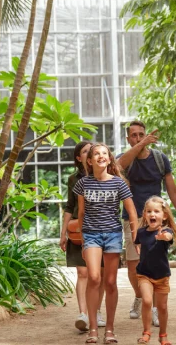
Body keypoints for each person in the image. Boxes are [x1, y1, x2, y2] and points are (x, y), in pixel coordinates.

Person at [117, 120, 176, 326]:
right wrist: (139, 147)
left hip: (156, 218)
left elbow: (173, 192)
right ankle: (141, 297)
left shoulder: (160, 159)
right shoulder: (125, 160)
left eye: (141, 134)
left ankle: (153, 308)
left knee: (156, 264)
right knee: (134, 265)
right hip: (132, 218)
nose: (138, 138)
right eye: (134, 135)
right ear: (128, 139)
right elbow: (117, 167)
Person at [73, 143, 138, 344]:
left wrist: (136, 239)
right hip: (91, 235)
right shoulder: (83, 183)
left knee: (110, 282)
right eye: (96, 154)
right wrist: (83, 240)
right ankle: (93, 328)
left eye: (104, 154)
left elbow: (132, 213)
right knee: (93, 277)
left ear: (109, 159)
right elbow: (81, 214)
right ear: (89, 161)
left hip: (112, 235)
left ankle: (109, 329)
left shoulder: (119, 183)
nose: (101, 156)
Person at [59, 141, 107, 331]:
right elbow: (70, 206)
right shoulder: (74, 179)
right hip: (79, 232)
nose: (90, 153)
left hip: (101, 230)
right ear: (79, 158)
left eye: (92, 150)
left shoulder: (105, 174)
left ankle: (96, 310)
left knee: (100, 275)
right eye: (86, 151)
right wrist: (63, 234)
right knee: (83, 272)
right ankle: (83, 314)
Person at [134, 196, 176, 345]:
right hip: (144, 274)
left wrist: (162, 236)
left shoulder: (166, 230)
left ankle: (163, 335)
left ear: (164, 215)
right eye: (149, 211)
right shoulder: (141, 232)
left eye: (156, 211)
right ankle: (146, 332)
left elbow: (168, 237)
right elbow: (138, 243)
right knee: (147, 301)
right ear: (144, 215)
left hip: (162, 276)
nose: (152, 214)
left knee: (162, 307)